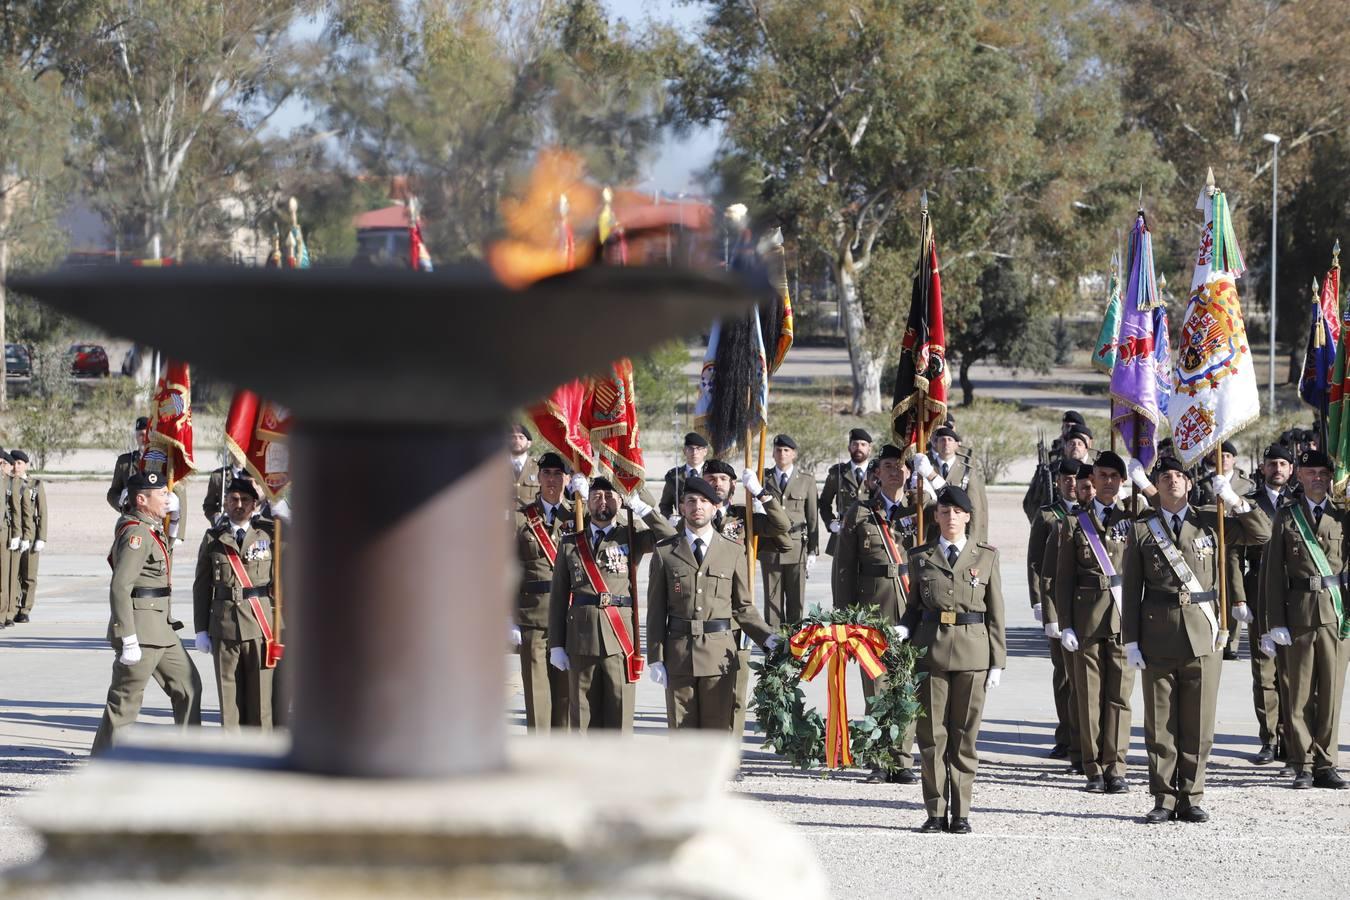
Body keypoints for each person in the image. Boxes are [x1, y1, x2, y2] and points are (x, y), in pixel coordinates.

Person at [1121, 456, 1270, 823]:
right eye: (1165, 476)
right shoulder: (1143, 529)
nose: (1172, 481)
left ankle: (1191, 794)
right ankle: (1163, 797)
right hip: (1157, 632)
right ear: (1157, 485)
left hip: (1203, 634)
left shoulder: (1212, 519)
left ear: (1189, 484)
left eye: (1178, 476)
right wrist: (1131, 640)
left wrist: (1234, 501)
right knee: (1160, 724)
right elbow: (1132, 589)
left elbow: (1263, 533)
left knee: (1199, 721)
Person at [898, 486, 1005, 834]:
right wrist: (902, 630)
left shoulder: (985, 556)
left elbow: (996, 613)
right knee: (931, 738)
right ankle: (934, 811)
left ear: (968, 516)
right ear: (936, 517)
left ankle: (961, 813)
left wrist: (997, 661)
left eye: (957, 512)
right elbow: (914, 607)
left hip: (974, 653)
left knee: (964, 738)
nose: (951, 518)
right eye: (944, 512)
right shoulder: (920, 557)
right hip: (930, 653)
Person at [647, 476, 778, 730]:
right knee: (682, 732)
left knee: (717, 731)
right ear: (682, 507)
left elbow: (743, 607)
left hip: (720, 657)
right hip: (678, 656)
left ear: (715, 507)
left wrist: (768, 637)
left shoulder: (733, 551)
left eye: (705, 501)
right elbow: (656, 611)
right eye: (691, 501)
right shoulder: (665, 552)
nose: (698, 506)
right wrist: (656, 657)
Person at [547, 476, 675, 732]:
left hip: (619, 639)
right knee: (582, 713)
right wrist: (557, 645)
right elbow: (558, 598)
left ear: (619, 500)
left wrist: (641, 506)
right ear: (587, 501)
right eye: (596, 497)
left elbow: (670, 537)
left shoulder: (632, 535)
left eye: (609, 496)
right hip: (580, 639)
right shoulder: (571, 544)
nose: (602, 502)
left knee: (619, 707)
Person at [92, 470, 203, 753]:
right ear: (141, 499)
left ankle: (190, 757)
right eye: (162, 494)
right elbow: (120, 586)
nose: (168, 498)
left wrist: (175, 519)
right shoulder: (136, 534)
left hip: (162, 629)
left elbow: (166, 551)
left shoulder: (151, 527)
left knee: (189, 687)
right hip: (140, 631)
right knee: (125, 704)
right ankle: (104, 769)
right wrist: (127, 637)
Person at [834, 443, 926, 783]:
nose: (894, 471)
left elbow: (960, 512)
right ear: (876, 473)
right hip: (872, 607)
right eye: (888, 465)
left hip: (911, 603)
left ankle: (902, 759)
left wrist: (927, 473)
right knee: (876, 686)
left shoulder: (921, 507)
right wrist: (845, 618)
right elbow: (844, 569)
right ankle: (878, 759)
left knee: (906, 684)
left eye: (901, 465)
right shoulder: (859, 513)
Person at [1260, 449, 1349, 790]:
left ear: (1331, 477)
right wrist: (1274, 622)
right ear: (1299, 475)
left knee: (1330, 691)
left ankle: (1326, 763)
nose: (1318, 478)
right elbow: (1271, 575)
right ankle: (1303, 763)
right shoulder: (1286, 516)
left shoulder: (1343, 516)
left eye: (1324, 473)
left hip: (1335, 614)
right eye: (1311, 472)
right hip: (1297, 613)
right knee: (1297, 692)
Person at [1055, 451, 1135, 794]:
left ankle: (1116, 766)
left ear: (1121, 481)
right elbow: (1062, 578)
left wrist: (1143, 483)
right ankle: (1092, 767)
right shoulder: (1075, 522)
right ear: (1093, 480)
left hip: (1123, 618)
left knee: (1119, 696)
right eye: (1101, 475)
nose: (1107, 481)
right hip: (1086, 619)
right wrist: (1065, 624)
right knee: (1088, 696)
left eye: (1114, 476)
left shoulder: (1134, 518)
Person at [697, 458, 791, 737]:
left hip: (738, 617)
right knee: (703, 693)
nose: (716, 483)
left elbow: (783, 528)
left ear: (733, 485)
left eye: (723, 479)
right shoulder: (695, 517)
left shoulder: (744, 516)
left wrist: (761, 494)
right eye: (711, 478)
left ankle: (730, 756)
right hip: (704, 617)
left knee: (736, 693)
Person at [192, 478, 277, 730]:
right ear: (225, 503)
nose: (238, 505)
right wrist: (201, 630)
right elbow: (201, 586)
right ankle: (232, 755)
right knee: (228, 699)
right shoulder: (213, 538)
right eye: (233, 499)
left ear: (254, 504)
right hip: (223, 624)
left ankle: (262, 756)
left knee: (261, 701)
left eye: (244, 500)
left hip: (260, 626)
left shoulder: (270, 533)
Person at [511, 452, 573, 732]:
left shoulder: (579, 515)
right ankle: (538, 754)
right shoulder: (522, 518)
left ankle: (562, 758)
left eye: (558, 474)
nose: (552, 480)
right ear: (538, 478)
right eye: (547, 473)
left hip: (570, 618)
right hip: (533, 617)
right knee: (537, 694)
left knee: (566, 694)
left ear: (568, 479)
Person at [1026, 459, 1082, 764]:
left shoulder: (1091, 512)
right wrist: (1039, 601)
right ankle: (1066, 736)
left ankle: (1086, 736)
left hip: (1087, 601)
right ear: (1058, 482)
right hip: (1058, 604)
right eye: (1066, 479)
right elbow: (1035, 561)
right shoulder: (1048, 515)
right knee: (1063, 675)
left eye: (1076, 478)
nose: (1071, 484)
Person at [1243, 444, 1294, 766]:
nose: (1277, 468)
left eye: (1283, 463)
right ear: (1263, 468)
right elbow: (1233, 556)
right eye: (1272, 463)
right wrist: (1237, 597)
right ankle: (1269, 739)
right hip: (1259, 590)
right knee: (1264, 672)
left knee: (1294, 673)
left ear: (1291, 470)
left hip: (1295, 593)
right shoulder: (1249, 504)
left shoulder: (1301, 503)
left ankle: (1293, 737)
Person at [760, 434, 819, 629]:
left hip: (796, 546)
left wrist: (813, 549)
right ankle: (775, 643)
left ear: (794, 454)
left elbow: (812, 517)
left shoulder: (806, 480)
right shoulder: (763, 477)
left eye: (786, 450)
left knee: (796, 599)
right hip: (771, 546)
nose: (782, 454)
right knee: (772, 599)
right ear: (773, 453)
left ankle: (794, 642)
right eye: (778, 450)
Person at [913, 426, 989, 543]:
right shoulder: (925, 467)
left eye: (950, 440)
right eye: (942, 440)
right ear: (935, 444)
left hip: (957, 532)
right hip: (932, 534)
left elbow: (974, 508)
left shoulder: (966, 470)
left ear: (957, 444)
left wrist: (974, 539)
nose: (946, 443)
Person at [819, 428, 874, 557]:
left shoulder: (877, 472)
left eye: (863, 445)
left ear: (869, 449)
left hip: (871, 534)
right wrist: (831, 523)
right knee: (842, 576)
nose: (858, 448)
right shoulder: (837, 473)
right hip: (843, 534)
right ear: (849, 447)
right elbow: (824, 503)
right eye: (855, 444)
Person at [13, 451, 45, 624]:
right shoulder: (9, 482)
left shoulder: (35, 484)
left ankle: (25, 609)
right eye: (14, 463)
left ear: (26, 464)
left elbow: (43, 512)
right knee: (14, 573)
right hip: (14, 534)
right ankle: (13, 606)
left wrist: (42, 537)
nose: (16, 466)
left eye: (19, 463)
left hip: (31, 534)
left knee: (29, 574)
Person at [659, 432, 710, 520]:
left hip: (708, 522)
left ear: (705, 451)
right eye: (691, 448)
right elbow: (665, 505)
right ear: (684, 451)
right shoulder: (674, 476)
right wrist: (670, 518)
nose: (694, 452)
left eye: (698, 448)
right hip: (683, 524)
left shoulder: (711, 473)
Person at [107, 417, 151, 512]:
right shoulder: (125, 462)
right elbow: (112, 492)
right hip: (131, 515)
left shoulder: (162, 460)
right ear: (136, 437)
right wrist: (120, 501)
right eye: (141, 435)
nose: (144, 439)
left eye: (147, 434)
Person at [202, 459, 250, 525]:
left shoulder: (258, 475)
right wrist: (216, 517)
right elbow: (209, 505)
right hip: (226, 527)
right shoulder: (219, 476)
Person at [508, 423, 539, 506]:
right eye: (513, 437)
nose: (517, 441)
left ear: (529, 443)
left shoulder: (538, 467)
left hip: (530, 518)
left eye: (521, 437)